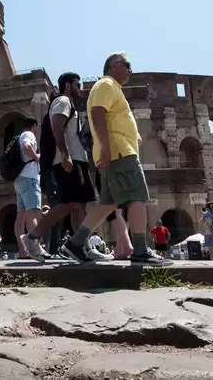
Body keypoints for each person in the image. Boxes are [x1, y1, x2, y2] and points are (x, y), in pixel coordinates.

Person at [60, 53, 169, 265]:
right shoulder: (106, 84)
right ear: (113, 66)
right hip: (119, 152)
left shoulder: (112, 88)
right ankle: (139, 250)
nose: (131, 70)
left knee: (107, 204)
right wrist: (107, 146)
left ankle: (75, 243)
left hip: (117, 151)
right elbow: (98, 112)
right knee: (137, 197)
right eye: (127, 65)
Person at [21, 73, 107, 263]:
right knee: (68, 203)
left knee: (80, 205)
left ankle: (82, 246)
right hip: (68, 160)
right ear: (68, 85)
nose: (81, 88)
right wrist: (65, 154)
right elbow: (57, 126)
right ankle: (32, 237)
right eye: (78, 84)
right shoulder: (62, 101)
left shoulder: (71, 105)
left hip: (77, 160)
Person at [12, 117, 47, 259]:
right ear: (33, 126)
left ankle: (23, 251)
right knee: (34, 212)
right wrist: (37, 157)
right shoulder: (29, 135)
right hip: (30, 177)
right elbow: (27, 146)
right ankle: (36, 248)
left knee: (21, 215)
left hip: (19, 178)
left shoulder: (19, 137)